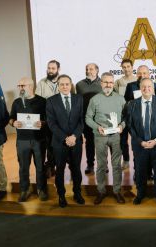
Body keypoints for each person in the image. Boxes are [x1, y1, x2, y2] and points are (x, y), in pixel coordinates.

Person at [86, 72, 126, 205]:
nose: (108, 84)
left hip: (116, 136)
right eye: (105, 82)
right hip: (100, 136)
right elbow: (88, 118)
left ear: (113, 83)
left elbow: (126, 117)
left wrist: (122, 126)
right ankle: (101, 191)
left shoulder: (120, 99)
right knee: (101, 165)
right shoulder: (94, 99)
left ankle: (117, 191)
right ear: (101, 83)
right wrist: (97, 127)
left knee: (116, 165)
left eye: (110, 82)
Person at [128, 78, 156, 205]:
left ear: (153, 88)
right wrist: (140, 141)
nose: (146, 89)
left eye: (149, 87)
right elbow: (130, 126)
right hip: (140, 146)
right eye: (144, 87)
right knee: (140, 171)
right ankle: (140, 194)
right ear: (140, 88)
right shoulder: (133, 104)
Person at [46, 75, 84, 208]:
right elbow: (51, 124)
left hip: (76, 141)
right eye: (62, 84)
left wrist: (74, 136)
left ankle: (77, 193)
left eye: (67, 84)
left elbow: (81, 121)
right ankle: (61, 195)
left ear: (71, 85)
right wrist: (65, 138)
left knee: (76, 169)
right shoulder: (51, 101)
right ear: (58, 86)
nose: (64, 87)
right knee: (60, 170)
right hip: (59, 142)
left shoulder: (78, 99)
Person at [9, 77, 48, 202]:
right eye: (19, 86)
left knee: (40, 167)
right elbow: (11, 118)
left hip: (39, 140)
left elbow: (49, 119)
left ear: (31, 86)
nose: (20, 88)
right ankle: (25, 190)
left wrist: (43, 123)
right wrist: (13, 123)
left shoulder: (43, 101)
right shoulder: (16, 102)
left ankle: (41, 190)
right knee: (23, 167)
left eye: (23, 85)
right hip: (22, 141)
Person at [76, 63, 103, 175]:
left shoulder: (103, 83)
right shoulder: (79, 85)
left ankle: (103, 165)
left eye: (91, 69)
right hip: (87, 119)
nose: (88, 71)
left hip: (101, 119)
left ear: (97, 70)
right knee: (89, 143)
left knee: (102, 143)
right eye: (87, 69)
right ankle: (90, 164)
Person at [35, 60, 60, 178]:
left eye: (53, 68)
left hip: (61, 120)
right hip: (46, 119)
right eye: (49, 68)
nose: (50, 70)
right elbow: (37, 101)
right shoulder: (41, 83)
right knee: (49, 144)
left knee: (58, 144)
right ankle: (50, 166)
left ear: (58, 69)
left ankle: (58, 165)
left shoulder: (64, 82)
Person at [114, 59, 136, 170]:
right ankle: (126, 160)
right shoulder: (118, 82)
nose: (126, 69)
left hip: (135, 116)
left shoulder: (138, 80)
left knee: (136, 138)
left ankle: (137, 161)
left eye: (128, 66)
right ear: (121, 68)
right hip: (122, 115)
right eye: (124, 67)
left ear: (132, 67)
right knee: (122, 140)